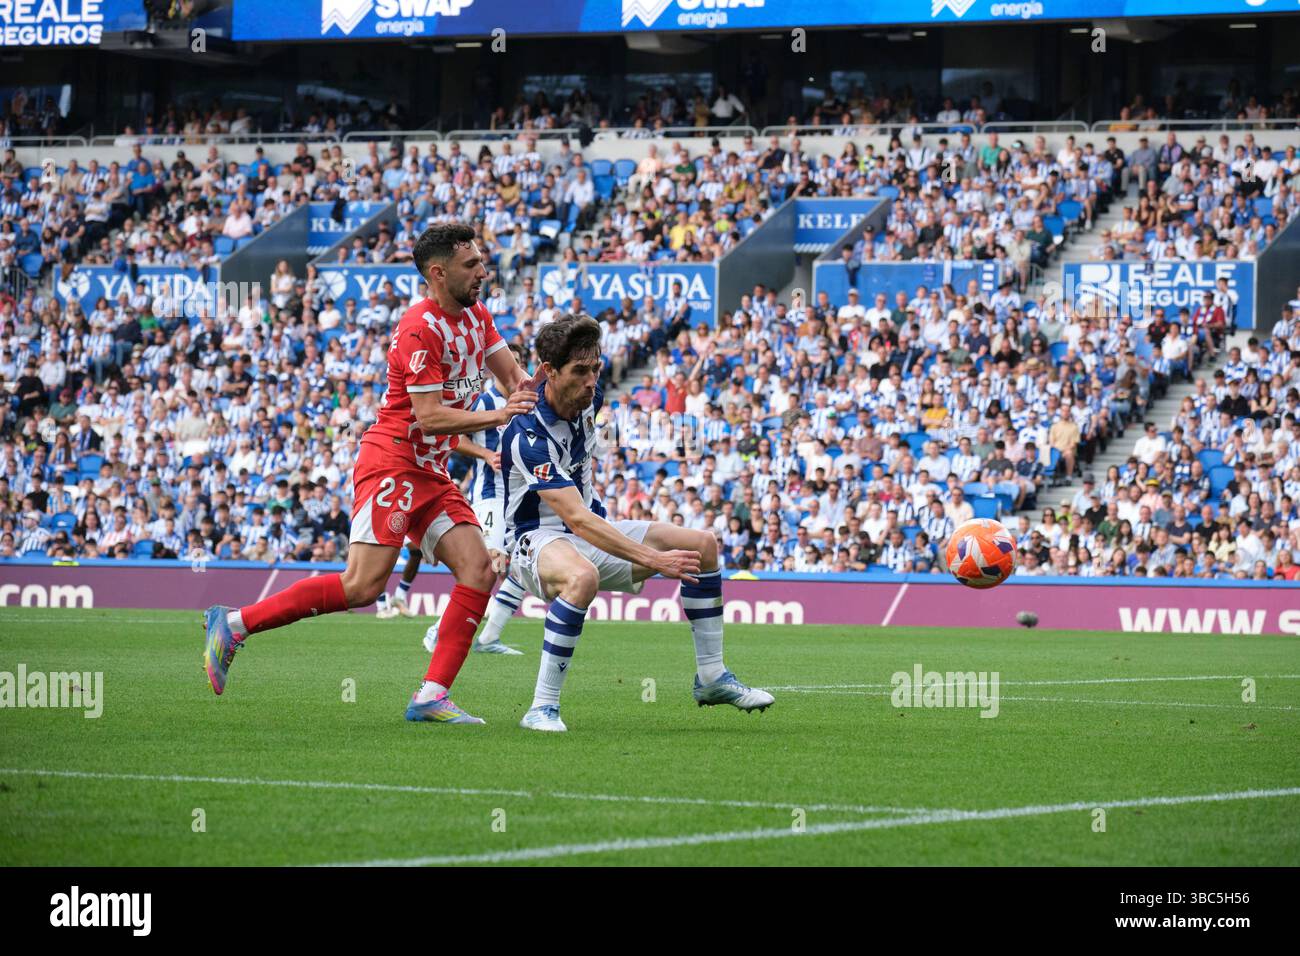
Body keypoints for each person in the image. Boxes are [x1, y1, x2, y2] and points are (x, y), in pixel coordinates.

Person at [202, 223, 538, 725]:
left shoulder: (477, 316)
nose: (482, 272)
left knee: (479, 570)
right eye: (472, 266)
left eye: (481, 263)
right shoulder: (419, 328)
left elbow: (515, 378)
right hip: (394, 463)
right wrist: (499, 415)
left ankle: (431, 696)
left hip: (430, 467)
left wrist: (553, 388)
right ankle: (232, 623)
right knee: (362, 586)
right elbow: (429, 416)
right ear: (438, 273)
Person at [501, 314, 774, 732]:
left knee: (703, 544)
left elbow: (586, 511)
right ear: (550, 372)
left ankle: (712, 677)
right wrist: (652, 559)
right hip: (534, 542)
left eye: (596, 369)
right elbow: (573, 516)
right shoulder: (526, 433)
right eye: (579, 372)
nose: (591, 381)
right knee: (582, 577)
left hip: (586, 529)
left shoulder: (590, 399)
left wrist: (630, 543)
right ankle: (541, 707)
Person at [421, 343, 530, 655]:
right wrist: (485, 454)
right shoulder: (483, 401)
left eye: (519, 363)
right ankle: (437, 630)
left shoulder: (526, 403)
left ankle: (489, 637)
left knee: (522, 566)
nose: (514, 369)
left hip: (520, 500)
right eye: (509, 363)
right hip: (491, 496)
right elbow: (452, 436)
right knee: (487, 564)